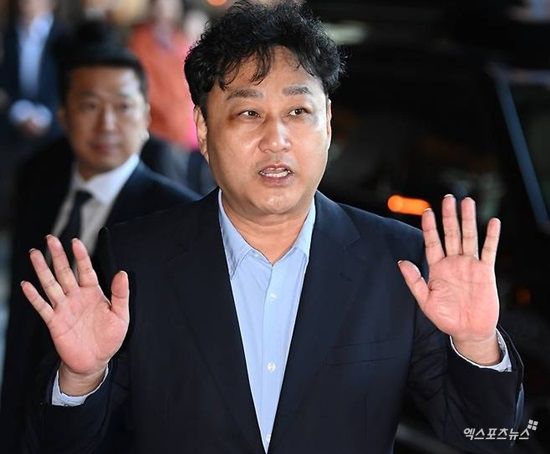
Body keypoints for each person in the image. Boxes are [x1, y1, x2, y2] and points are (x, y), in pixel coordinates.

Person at [21, 1, 523, 453]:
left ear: (328, 121)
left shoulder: (397, 261)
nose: (276, 138)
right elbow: (65, 443)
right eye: (249, 112)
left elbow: (488, 437)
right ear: (202, 129)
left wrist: (477, 345)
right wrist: (82, 378)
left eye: (298, 111)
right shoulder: (136, 260)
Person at [0, 42, 198, 452]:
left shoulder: (178, 216)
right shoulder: (38, 185)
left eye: (123, 107)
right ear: (64, 116)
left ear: (146, 117)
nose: (107, 124)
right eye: (90, 106)